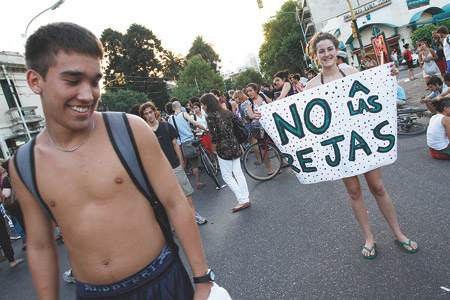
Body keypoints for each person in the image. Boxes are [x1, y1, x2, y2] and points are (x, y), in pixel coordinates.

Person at [12, 22, 214, 299]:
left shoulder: (130, 130)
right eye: (72, 81)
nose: (88, 94)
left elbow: (176, 201)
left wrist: (203, 280)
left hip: (161, 280)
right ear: (35, 81)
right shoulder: (25, 163)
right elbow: (40, 246)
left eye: (95, 81)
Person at [305, 31, 418, 259]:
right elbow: (304, 119)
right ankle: (369, 238)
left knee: (377, 187)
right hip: (340, 146)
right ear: (316, 57)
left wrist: (390, 75)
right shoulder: (312, 85)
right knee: (354, 191)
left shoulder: (352, 72)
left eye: (330, 49)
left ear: (336, 51)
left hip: (363, 140)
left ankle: (398, 233)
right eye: (321, 51)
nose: (326, 54)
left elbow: (373, 93)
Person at [140, 101, 207, 225]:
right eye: (146, 114)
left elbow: (175, 144)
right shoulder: (143, 131)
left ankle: (194, 215)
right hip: (158, 170)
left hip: (174, 164)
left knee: (186, 191)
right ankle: (176, 222)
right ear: (143, 116)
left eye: (150, 112)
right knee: (167, 197)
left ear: (155, 111)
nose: (149, 115)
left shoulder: (166, 126)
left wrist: (181, 162)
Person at [200, 94, 251, 212]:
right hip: (234, 144)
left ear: (207, 104)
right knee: (238, 173)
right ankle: (245, 198)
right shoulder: (226, 112)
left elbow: (214, 137)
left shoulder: (211, 117)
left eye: (203, 104)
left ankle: (242, 199)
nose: (202, 107)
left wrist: (213, 149)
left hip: (223, 148)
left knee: (227, 176)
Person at [169, 101, 209, 189]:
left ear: (172, 108)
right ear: (180, 106)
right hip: (189, 142)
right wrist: (204, 129)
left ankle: (184, 186)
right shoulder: (184, 114)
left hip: (178, 145)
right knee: (194, 164)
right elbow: (196, 123)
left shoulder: (170, 118)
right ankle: (198, 183)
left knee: (184, 165)